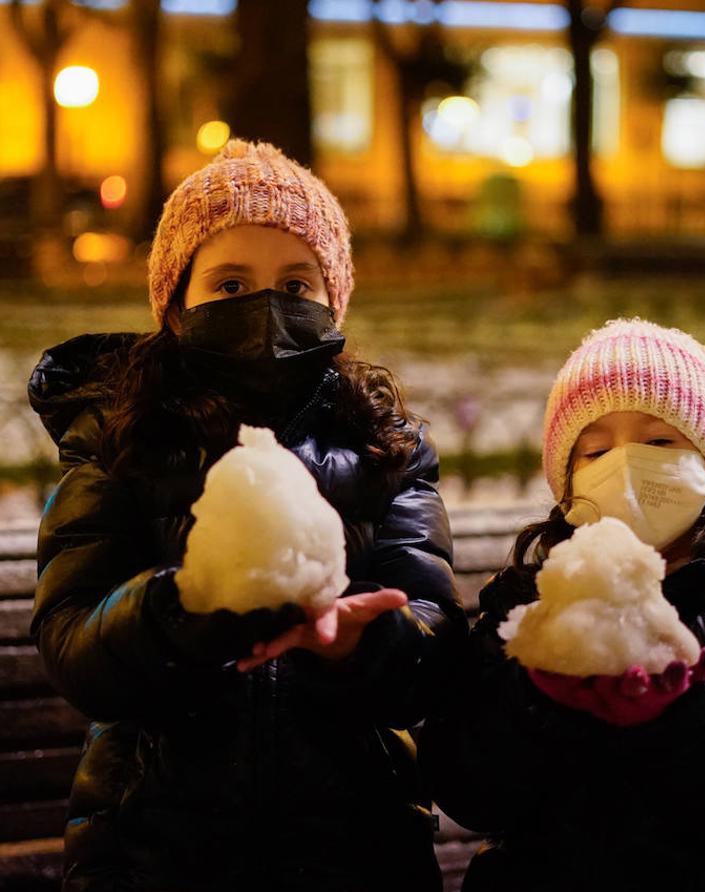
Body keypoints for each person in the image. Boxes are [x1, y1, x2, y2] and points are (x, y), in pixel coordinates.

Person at [28, 140, 466, 892]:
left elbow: (433, 642)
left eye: (297, 283)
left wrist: (368, 645)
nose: (267, 310)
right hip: (157, 847)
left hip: (355, 844)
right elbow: (75, 640)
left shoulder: (385, 449)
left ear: (335, 301)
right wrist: (182, 604)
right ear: (175, 304)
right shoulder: (120, 439)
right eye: (230, 284)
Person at [419, 318, 705, 892]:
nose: (625, 466)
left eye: (658, 442)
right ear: (567, 487)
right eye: (595, 451)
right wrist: (533, 699)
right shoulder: (525, 603)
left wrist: (690, 713)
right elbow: (468, 789)